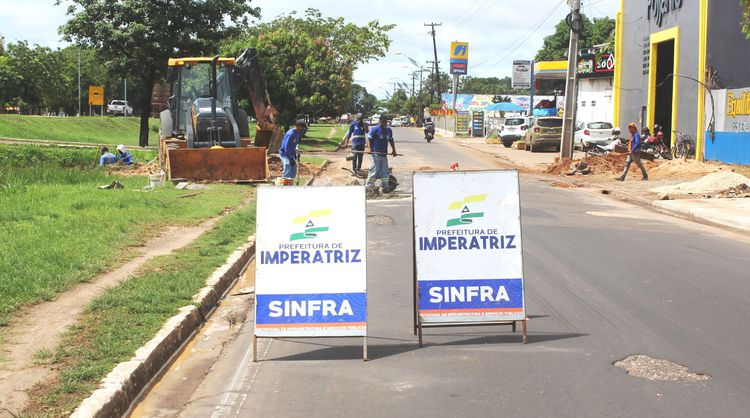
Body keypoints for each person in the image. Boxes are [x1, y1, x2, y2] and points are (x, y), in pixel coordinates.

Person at [366, 116, 397, 192]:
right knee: (374, 170)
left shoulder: (388, 130)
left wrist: (394, 150)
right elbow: (369, 139)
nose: (384, 123)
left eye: (385, 121)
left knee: (385, 171)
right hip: (375, 154)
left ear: (387, 121)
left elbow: (391, 139)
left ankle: (385, 186)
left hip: (383, 154)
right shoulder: (375, 129)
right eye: (382, 121)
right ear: (379, 121)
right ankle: (369, 187)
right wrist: (369, 149)